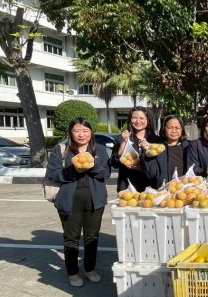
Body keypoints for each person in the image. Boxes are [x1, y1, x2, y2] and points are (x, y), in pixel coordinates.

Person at [45, 118, 111, 287]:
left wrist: (92, 166)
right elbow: (54, 174)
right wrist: (74, 170)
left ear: (91, 132)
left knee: (92, 237)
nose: (81, 134)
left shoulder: (100, 149)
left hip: (95, 200)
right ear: (71, 132)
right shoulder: (61, 150)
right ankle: (73, 273)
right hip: (70, 200)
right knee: (71, 238)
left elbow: (106, 173)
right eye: (77, 130)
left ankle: (90, 269)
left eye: (85, 131)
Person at [112, 106, 160, 192]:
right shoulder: (121, 138)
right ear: (130, 120)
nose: (138, 121)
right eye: (134, 118)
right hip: (127, 186)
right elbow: (115, 163)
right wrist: (124, 142)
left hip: (150, 186)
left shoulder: (156, 140)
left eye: (142, 118)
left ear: (148, 120)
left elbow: (159, 164)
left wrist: (143, 167)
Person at [141, 114, 190, 187]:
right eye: (170, 128)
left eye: (177, 128)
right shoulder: (157, 148)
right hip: (164, 190)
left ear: (182, 129)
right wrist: (147, 152)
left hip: (185, 189)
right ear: (164, 129)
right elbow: (151, 173)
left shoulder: (188, 147)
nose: (174, 131)